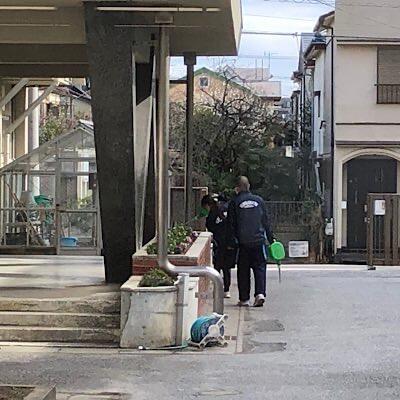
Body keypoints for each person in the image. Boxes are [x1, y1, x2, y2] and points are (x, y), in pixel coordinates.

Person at [228, 176, 275, 307]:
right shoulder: (259, 200)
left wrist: (231, 243)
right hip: (258, 241)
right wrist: (271, 239)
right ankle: (260, 294)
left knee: (243, 271)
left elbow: (231, 225)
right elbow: (266, 222)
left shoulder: (234, 202)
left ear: (237, 188)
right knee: (260, 268)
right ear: (248, 186)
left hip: (243, 243)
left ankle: (244, 299)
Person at [203, 194, 236, 298]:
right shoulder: (226, 208)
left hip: (218, 242)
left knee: (217, 266)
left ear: (208, 205)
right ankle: (226, 289)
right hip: (229, 242)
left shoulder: (213, 213)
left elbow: (210, 226)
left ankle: (217, 288)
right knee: (227, 268)